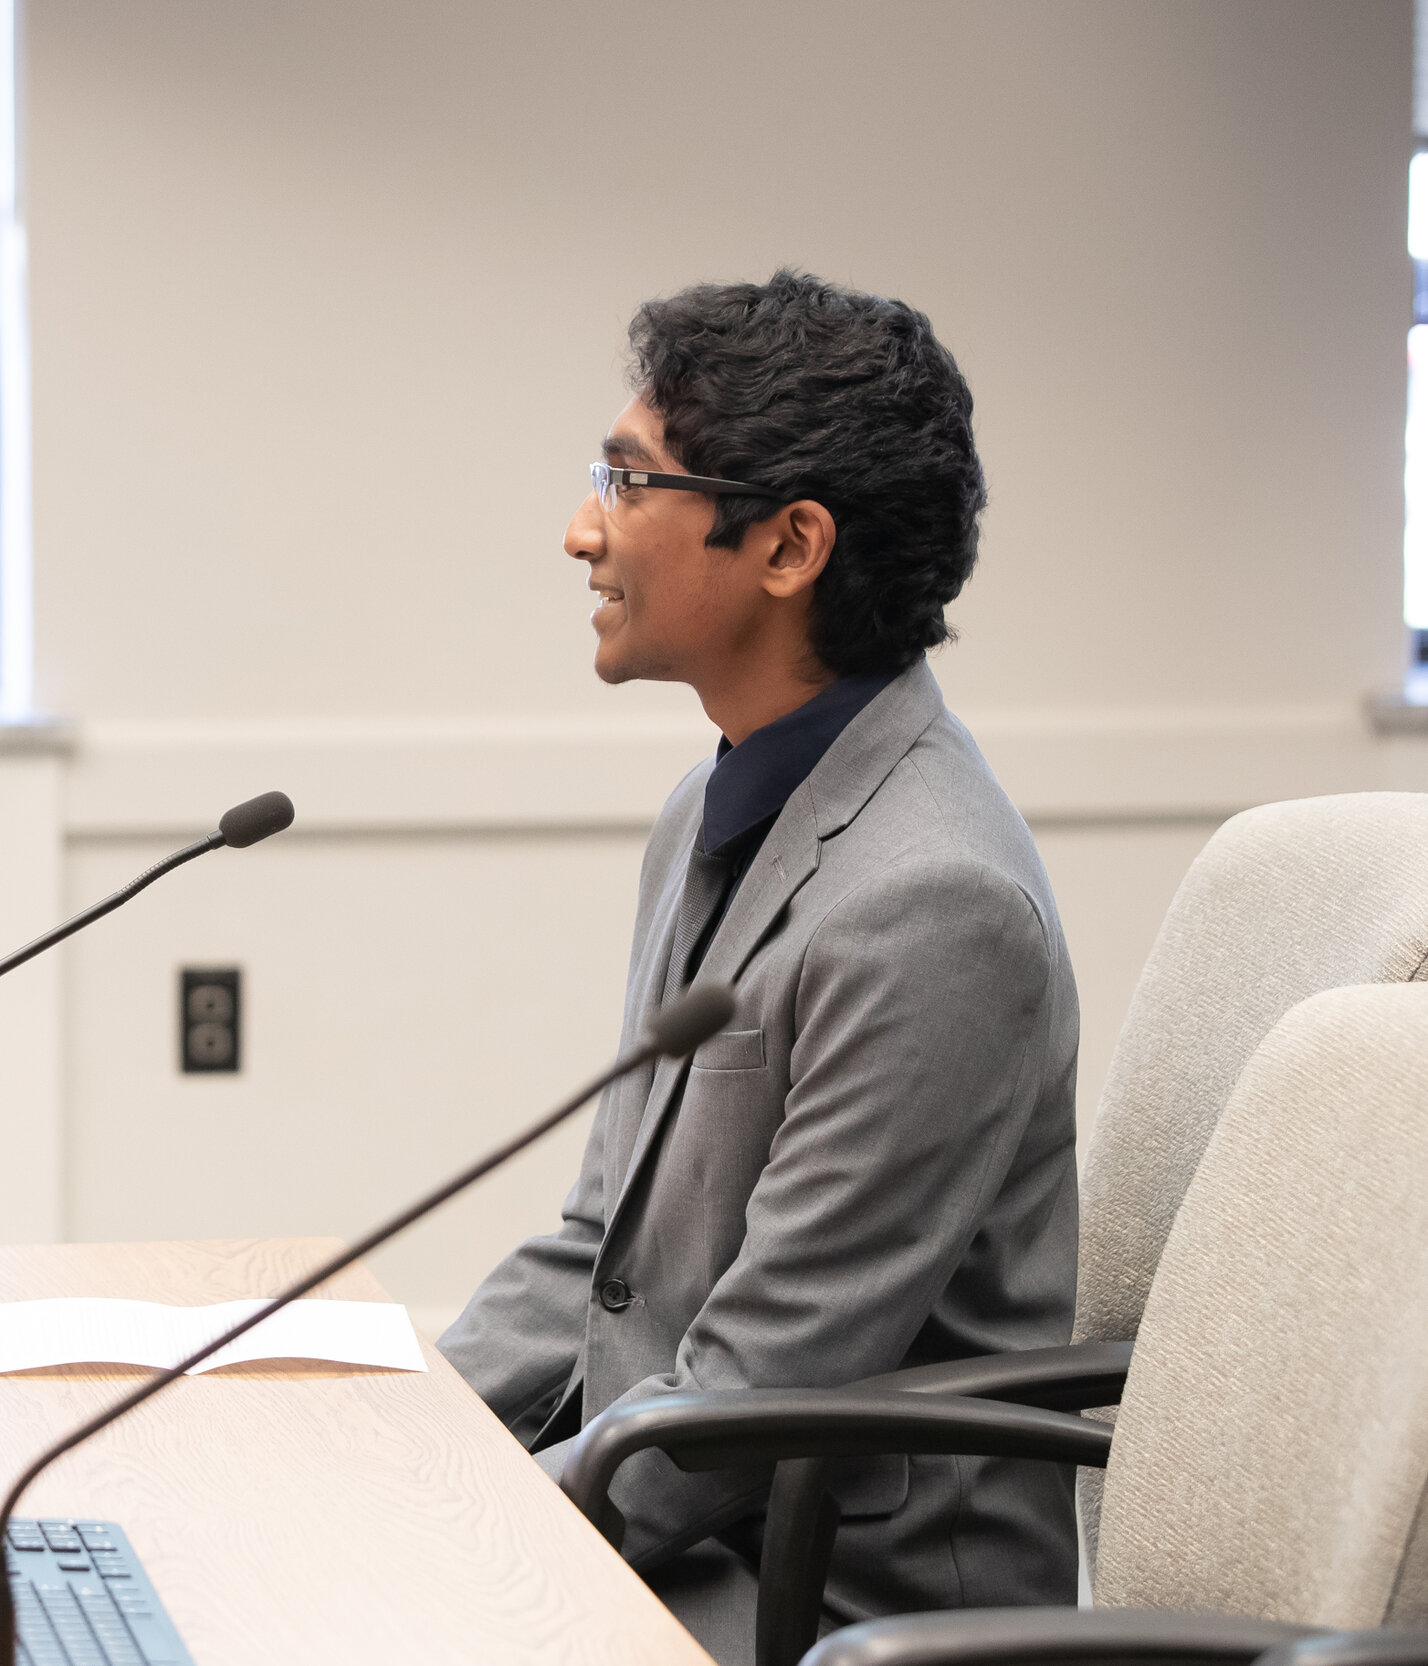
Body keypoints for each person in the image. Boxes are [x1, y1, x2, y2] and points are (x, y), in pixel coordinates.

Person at [438, 271, 1080, 1663]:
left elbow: (757, 1392)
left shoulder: (935, 904)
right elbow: (594, 1248)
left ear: (787, 547)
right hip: (679, 1524)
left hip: (830, 1599)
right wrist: (402, 1433)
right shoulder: (710, 806)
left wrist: (459, 1542)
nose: (578, 530)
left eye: (627, 480)